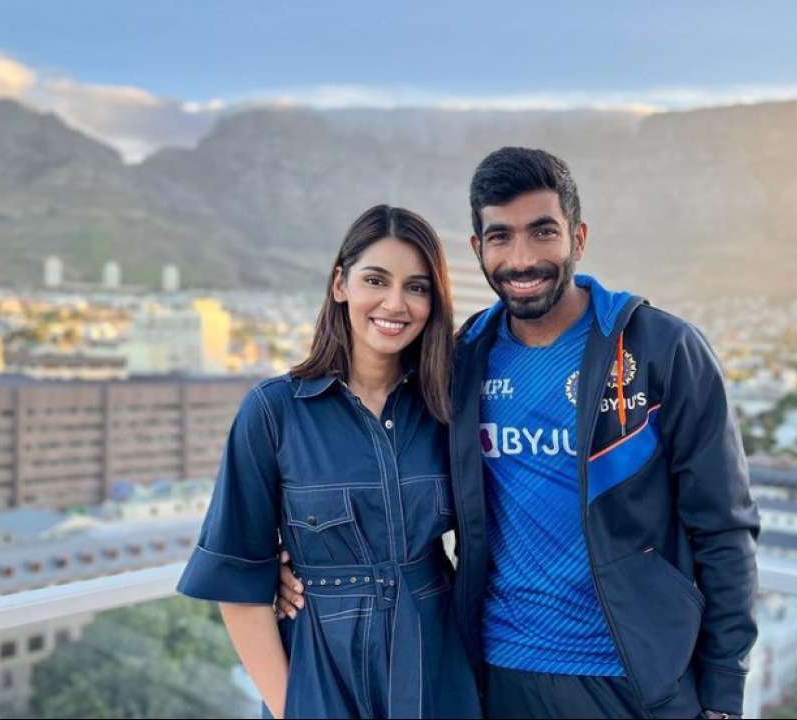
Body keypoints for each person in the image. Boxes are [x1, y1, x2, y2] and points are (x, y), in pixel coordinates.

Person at [281, 148, 760, 719]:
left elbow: (725, 527)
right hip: (498, 676)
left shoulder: (661, 350)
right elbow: (389, 472)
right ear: (477, 250)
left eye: (542, 232)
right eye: (501, 237)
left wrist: (724, 693)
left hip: (638, 680)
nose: (522, 258)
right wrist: (293, 555)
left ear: (578, 237)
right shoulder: (460, 362)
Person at [178, 204, 481, 719]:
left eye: (417, 287)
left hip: (438, 659)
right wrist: (291, 708)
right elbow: (239, 587)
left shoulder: (449, 406)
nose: (395, 303)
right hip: (321, 664)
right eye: (375, 280)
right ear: (340, 284)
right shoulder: (272, 413)